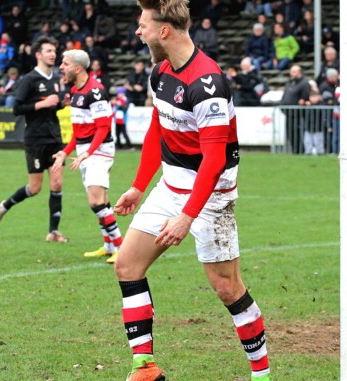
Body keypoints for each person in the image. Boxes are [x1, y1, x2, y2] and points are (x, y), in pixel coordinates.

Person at [111, 1, 271, 381]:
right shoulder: (160, 72)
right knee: (127, 265)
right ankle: (146, 368)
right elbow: (157, 130)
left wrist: (188, 216)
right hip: (170, 186)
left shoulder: (208, 84)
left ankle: (262, 375)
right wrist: (138, 186)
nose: (138, 32)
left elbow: (214, 162)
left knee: (227, 289)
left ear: (164, 30)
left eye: (143, 25)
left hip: (211, 197)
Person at [0, 37, 69, 244]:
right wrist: (42, 105)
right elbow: (16, 109)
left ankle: (53, 231)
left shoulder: (56, 79)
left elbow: (53, 105)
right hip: (35, 140)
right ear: (38, 55)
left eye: (54, 50)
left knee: (57, 183)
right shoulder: (29, 80)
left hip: (55, 138)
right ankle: (4, 206)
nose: (53, 54)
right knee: (35, 188)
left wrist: (61, 104)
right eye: (49, 51)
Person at [53, 49, 123, 264]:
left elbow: (103, 128)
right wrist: (65, 152)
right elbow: (78, 131)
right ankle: (109, 246)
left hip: (99, 150)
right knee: (101, 201)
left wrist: (88, 154)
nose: (61, 67)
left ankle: (120, 246)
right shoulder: (75, 91)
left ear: (78, 68)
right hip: (86, 151)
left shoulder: (96, 92)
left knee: (95, 201)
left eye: (65, 63)